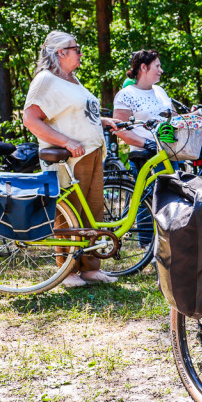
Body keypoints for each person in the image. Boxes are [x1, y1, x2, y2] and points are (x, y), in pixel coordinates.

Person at [22, 30, 118, 288]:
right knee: (70, 215)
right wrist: (66, 142)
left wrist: (103, 121)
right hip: (71, 157)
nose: (81, 53)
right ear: (60, 52)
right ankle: (68, 270)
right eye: (76, 48)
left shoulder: (72, 80)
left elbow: (77, 113)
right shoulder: (45, 80)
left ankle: (90, 267)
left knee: (92, 214)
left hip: (92, 153)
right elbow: (30, 119)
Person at [112, 49, 174, 161]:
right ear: (144, 67)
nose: (161, 70)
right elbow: (119, 129)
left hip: (169, 155)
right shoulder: (126, 94)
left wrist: (197, 115)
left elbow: (175, 118)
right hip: (145, 158)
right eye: (157, 66)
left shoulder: (160, 91)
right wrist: (146, 143)